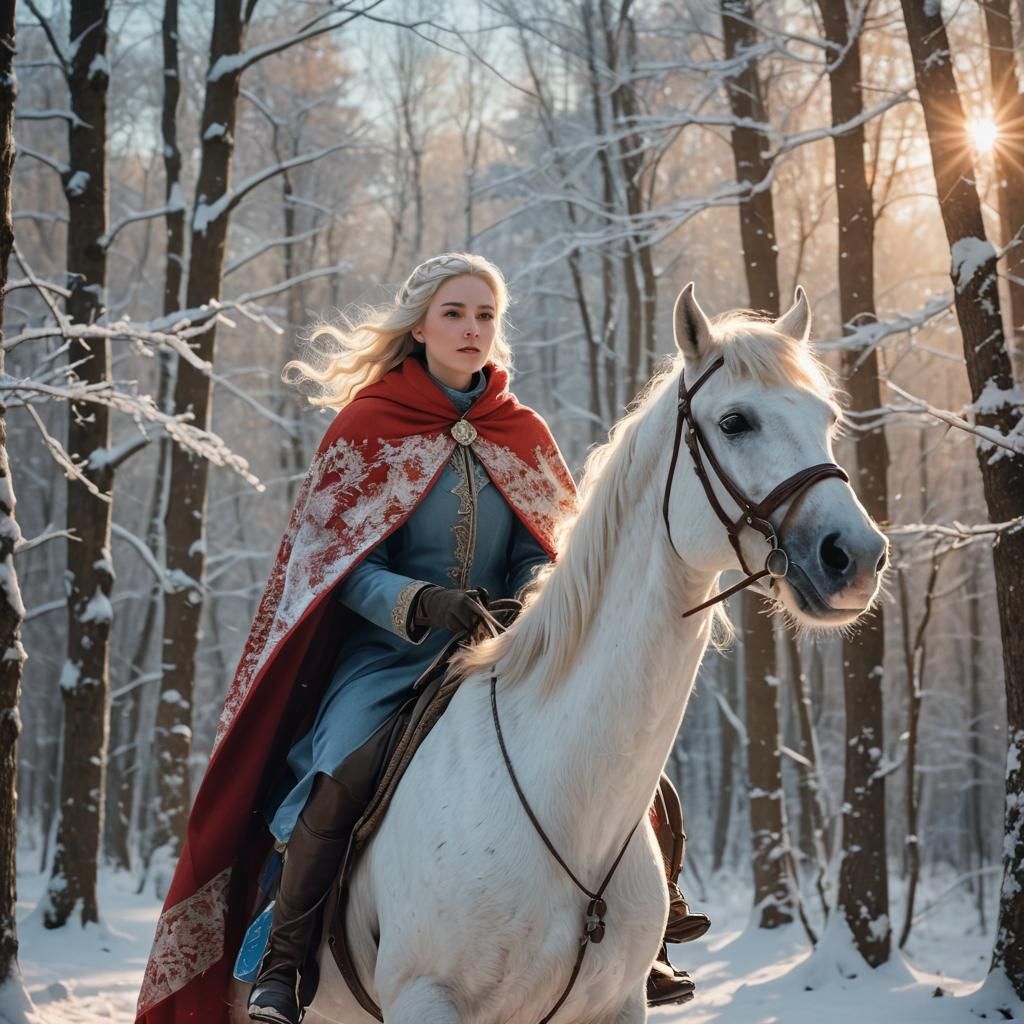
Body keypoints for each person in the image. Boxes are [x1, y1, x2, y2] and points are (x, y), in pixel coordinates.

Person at [135, 254, 705, 1024]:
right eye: (455, 314)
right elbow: (340, 568)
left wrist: (527, 596)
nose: (473, 330)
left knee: (634, 771)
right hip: (389, 658)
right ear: (421, 325)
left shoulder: (521, 432)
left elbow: (553, 549)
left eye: (485, 316)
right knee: (338, 768)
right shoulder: (369, 426)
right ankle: (286, 961)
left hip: (506, 651)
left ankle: (648, 940)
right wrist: (420, 601)